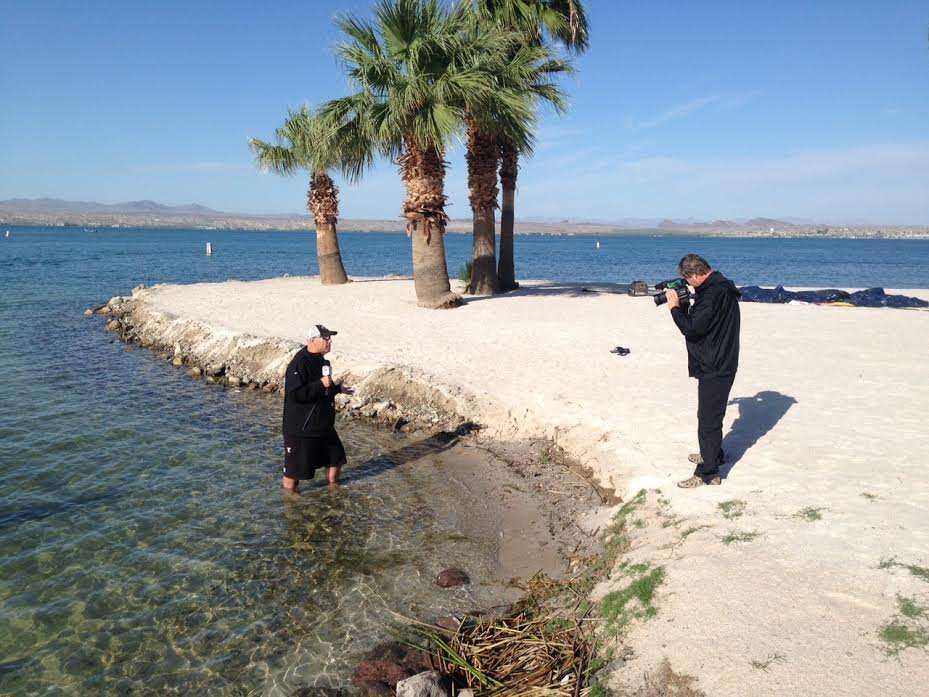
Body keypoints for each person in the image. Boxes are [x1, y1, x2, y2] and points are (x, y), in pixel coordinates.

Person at [665, 254, 741, 488]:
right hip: (723, 359)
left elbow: (692, 328)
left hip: (714, 365)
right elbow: (706, 322)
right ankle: (714, 454)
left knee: (708, 420)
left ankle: (708, 473)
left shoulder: (711, 294)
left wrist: (675, 308)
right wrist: (687, 303)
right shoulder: (721, 286)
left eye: (688, 280)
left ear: (695, 274)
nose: (688, 284)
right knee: (713, 415)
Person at [281, 324, 354, 492]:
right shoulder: (299, 363)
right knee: (294, 472)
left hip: (323, 425)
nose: (330, 341)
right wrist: (320, 384)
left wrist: (337, 389)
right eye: (326, 338)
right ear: (312, 340)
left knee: (336, 460)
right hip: (301, 429)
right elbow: (295, 395)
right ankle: (290, 501)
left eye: (330, 338)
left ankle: (334, 492)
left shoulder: (322, 360)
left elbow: (323, 388)